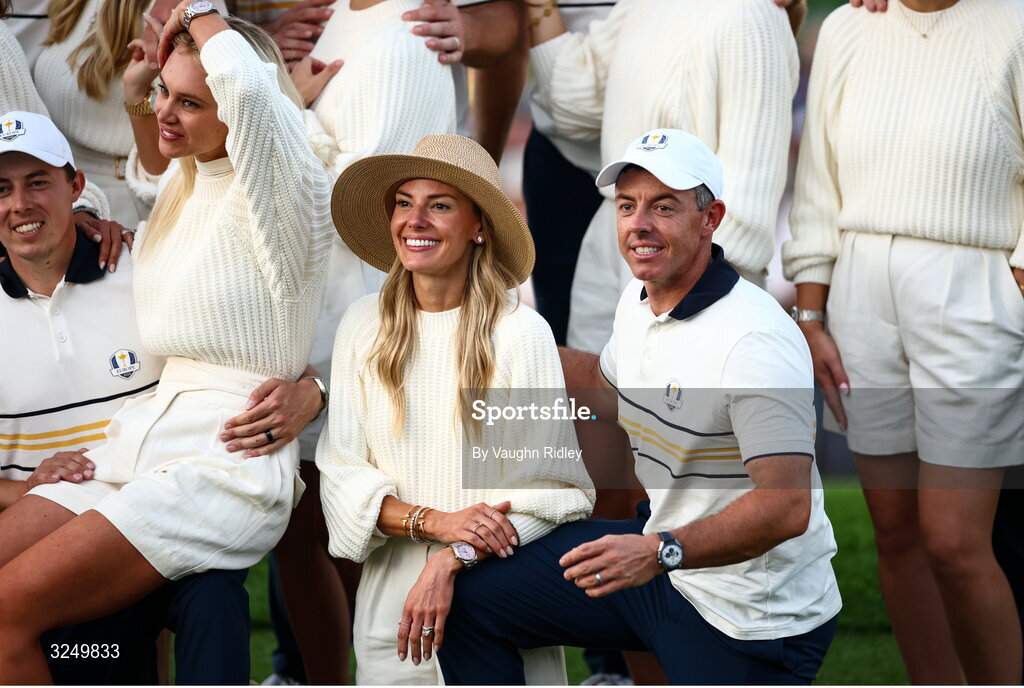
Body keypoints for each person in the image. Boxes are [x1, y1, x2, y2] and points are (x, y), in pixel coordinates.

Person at [0, 4, 334, 682]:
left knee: (7, 612)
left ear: (237, 108)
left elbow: (253, 96)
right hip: (140, 450)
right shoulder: (186, 186)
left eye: (191, 101)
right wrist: (137, 98)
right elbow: (151, 165)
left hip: (222, 465)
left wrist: (201, 14)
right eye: (163, 93)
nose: (166, 113)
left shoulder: (282, 189)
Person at [435, 130, 841, 685]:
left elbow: (786, 507)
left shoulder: (754, 341)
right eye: (627, 206)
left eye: (663, 207)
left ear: (711, 218)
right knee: (471, 598)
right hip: (666, 564)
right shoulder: (640, 299)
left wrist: (657, 551)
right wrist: (495, 340)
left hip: (751, 616)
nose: (639, 224)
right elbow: (608, 388)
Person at [782, 0, 1024, 683]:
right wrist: (810, 316)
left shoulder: (1014, 25)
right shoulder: (847, 27)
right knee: (896, 533)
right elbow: (818, 185)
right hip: (858, 294)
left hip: (974, 292)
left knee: (955, 541)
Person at [318, 133, 595, 684]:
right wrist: (437, 523)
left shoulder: (520, 334)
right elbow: (341, 477)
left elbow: (556, 491)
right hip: (393, 613)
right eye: (404, 202)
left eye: (439, 205)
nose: (414, 220)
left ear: (479, 227)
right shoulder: (363, 325)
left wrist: (454, 556)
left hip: (499, 598)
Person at [524, 0, 798, 353]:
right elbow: (572, 103)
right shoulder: (642, 5)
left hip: (690, 261)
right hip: (616, 236)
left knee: (678, 386)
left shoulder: (753, 15)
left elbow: (747, 197)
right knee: (597, 384)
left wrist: (694, 295)